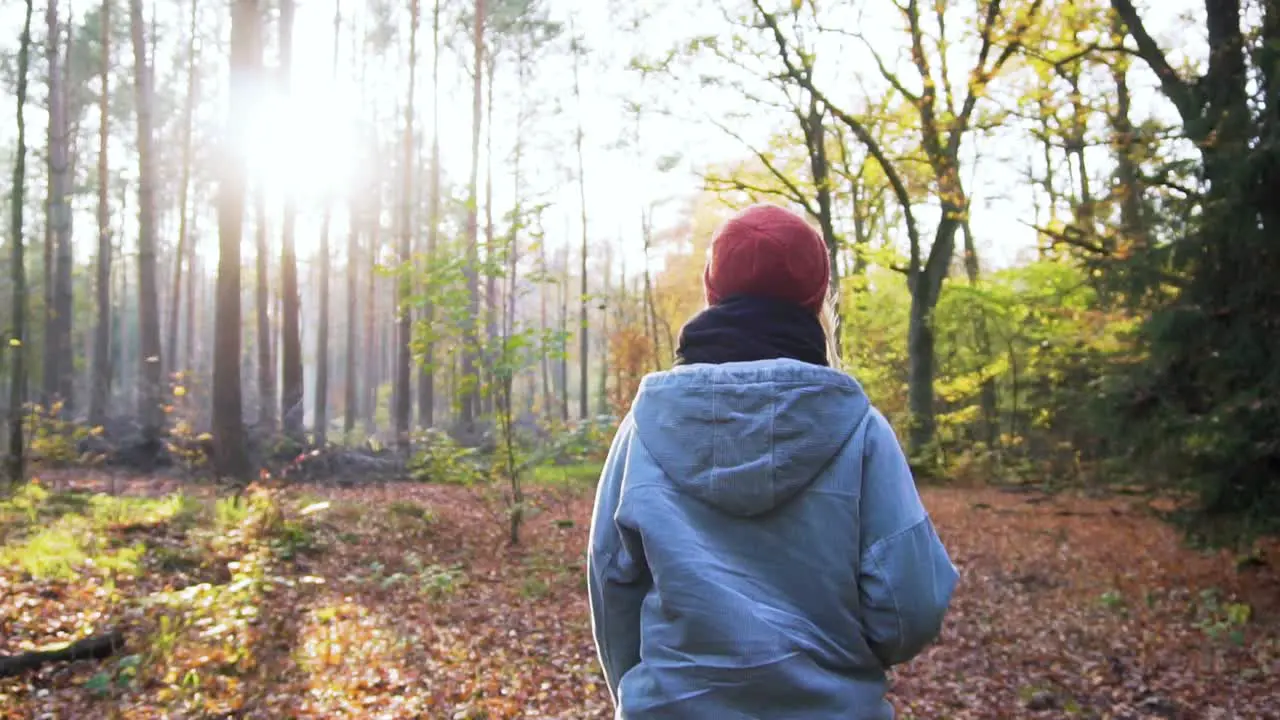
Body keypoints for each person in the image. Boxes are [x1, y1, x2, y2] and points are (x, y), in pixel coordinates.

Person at [586, 203, 959, 719]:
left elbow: (611, 587)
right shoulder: (861, 431)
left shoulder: (644, 430)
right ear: (818, 299)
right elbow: (911, 604)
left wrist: (646, 691)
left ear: (711, 289)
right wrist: (838, 667)